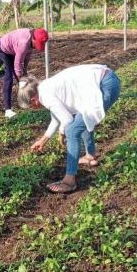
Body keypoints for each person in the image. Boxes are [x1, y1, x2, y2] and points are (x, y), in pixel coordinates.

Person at [17, 64, 121, 194]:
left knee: (72, 130)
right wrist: (43, 140)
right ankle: (90, 156)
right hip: (106, 79)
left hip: (104, 85)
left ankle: (69, 182)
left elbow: (66, 120)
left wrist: (62, 132)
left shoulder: (45, 96)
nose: (33, 109)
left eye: (31, 106)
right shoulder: (44, 87)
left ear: (34, 100)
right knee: (80, 119)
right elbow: (56, 117)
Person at [0, 28, 49, 118]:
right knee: (8, 78)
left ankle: (27, 102)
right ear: (33, 39)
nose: (36, 46)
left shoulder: (31, 41)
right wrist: (21, 79)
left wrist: (24, 73)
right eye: (37, 44)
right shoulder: (24, 42)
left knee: (23, 78)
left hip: (11, 53)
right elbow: (18, 63)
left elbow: (26, 58)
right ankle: (8, 110)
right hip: (0, 51)